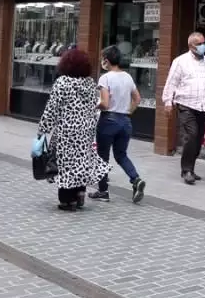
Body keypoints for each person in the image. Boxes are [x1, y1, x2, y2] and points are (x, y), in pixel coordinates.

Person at [38, 48, 108, 211]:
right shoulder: (90, 83)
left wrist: (43, 130)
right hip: (86, 130)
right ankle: (80, 193)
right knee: (81, 162)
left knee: (65, 165)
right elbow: (94, 106)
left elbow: (52, 109)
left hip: (66, 130)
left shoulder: (62, 82)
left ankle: (67, 200)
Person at [90, 46, 147, 203]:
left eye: (103, 59)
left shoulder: (105, 78)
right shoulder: (127, 77)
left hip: (108, 121)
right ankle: (136, 179)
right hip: (125, 121)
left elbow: (105, 103)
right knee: (121, 155)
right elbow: (137, 98)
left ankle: (103, 191)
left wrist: (93, 106)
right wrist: (128, 112)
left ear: (106, 60)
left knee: (102, 156)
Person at [161, 31, 205, 186]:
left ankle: (191, 167)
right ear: (191, 45)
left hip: (204, 106)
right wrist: (168, 101)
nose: (202, 46)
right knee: (191, 135)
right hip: (187, 105)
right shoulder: (180, 61)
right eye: (199, 44)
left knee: (198, 139)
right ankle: (186, 170)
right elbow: (171, 82)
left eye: (203, 43)